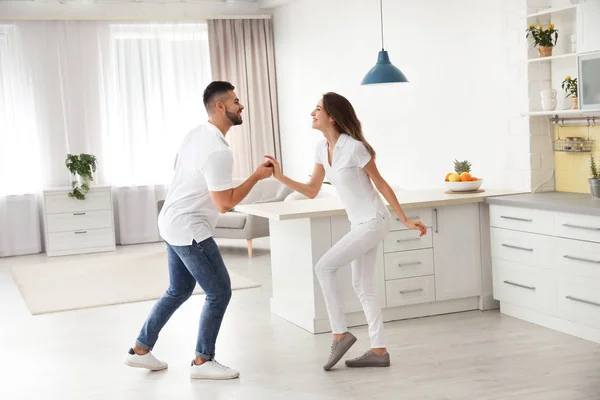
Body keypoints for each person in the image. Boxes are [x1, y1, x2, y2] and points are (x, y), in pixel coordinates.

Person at [264, 92, 427, 371]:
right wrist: (279, 177)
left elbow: (382, 185)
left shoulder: (355, 148)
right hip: (360, 223)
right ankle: (379, 350)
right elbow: (312, 191)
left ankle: (339, 334)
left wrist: (404, 219)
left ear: (332, 116)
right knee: (363, 286)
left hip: (374, 220)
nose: (312, 113)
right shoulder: (321, 148)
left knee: (324, 267)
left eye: (317, 109)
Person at [123, 81, 273, 380]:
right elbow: (224, 204)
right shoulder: (218, 150)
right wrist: (256, 176)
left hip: (170, 220)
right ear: (220, 107)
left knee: (178, 290)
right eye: (235, 101)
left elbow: (178, 164)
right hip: (189, 228)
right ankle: (204, 361)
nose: (241, 105)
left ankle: (141, 349)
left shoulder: (196, 134)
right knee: (219, 292)